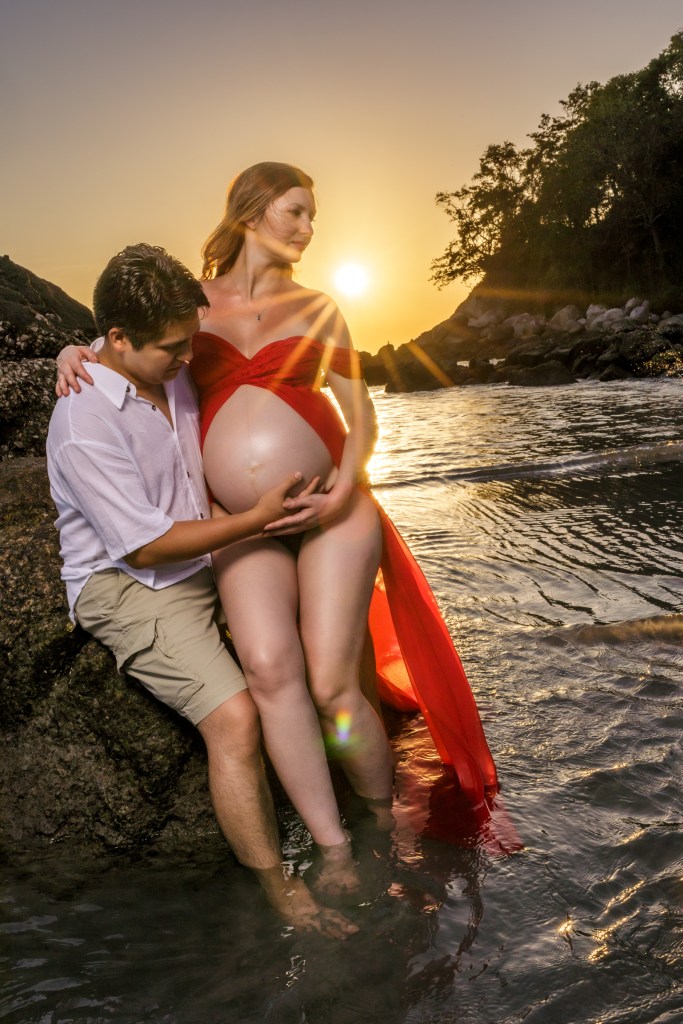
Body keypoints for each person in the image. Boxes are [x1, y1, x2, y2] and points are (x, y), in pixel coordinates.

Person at [57, 163, 499, 845]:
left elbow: (363, 420)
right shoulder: (188, 306)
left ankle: (384, 826)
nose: (308, 228)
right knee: (267, 671)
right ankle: (334, 846)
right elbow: (122, 346)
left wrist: (342, 489)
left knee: (330, 686)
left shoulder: (321, 307)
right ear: (251, 212)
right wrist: (68, 351)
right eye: (295, 211)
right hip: (239, 524)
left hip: (332, 512)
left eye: (311, 215)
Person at [47, 242, 357, 938]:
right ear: (121, 341)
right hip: (131, 584)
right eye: (171, 348)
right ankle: (279, 890)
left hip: (204, 551)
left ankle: (348, 816)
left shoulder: (156, 357)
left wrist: (75, 347)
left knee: (307, 651)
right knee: (237, 720)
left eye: (190, 340)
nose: (189, 358)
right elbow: (145, 546)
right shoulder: (82, 422)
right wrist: (254, 519)